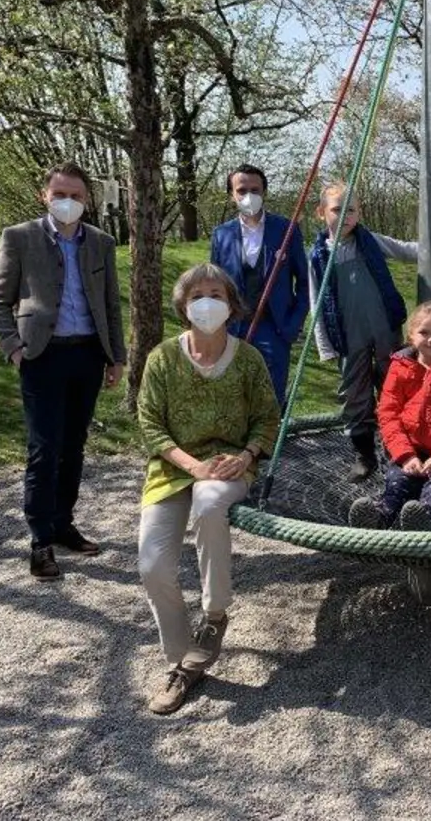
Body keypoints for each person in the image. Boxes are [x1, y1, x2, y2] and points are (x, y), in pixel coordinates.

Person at [135, 263, 281, 715]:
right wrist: (190, 464)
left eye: (216, 294)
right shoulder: (162, 358)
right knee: (153, 564)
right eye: (198, 294)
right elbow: (150, 424)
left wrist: (247, 454)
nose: (207, 302)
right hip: (175, 468)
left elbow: (267, 417)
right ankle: (183, 661)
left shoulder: (248, 359)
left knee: (210, 502)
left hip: (229, 466)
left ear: (231, 304)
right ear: (184, 304)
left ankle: (214, 614)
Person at [0, 161, 127, 580]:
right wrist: (14, 347)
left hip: (87, 355)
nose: (68, 202)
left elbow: (110, 305)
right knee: (44, 448)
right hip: (41, 356)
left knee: (74, 446)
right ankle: (40, 540)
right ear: (44, 195)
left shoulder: (101, 243)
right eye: (60, 194)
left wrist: (116, 357)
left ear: (88, 200)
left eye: (76, 196)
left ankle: (64, 524)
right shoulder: (20, 238)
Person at [306, 181, 419, 480]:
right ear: (321, 213)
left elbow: (406, 250)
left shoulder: (369, 241)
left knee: (394, 384)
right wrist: (325, 345)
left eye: (351, 209)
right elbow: (315, 301)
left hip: (384, 327)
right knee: (355, 391)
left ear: (360, 213)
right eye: (336, 209)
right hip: (347, 333)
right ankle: (364, 453)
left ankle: (398, 449)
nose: (345, 215)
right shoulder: (317, 255)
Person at [348, 301, 431, 531]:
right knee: (397, 484)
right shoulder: (400, 367)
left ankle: (426, 520)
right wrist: (405, 455)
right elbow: (388, 413)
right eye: (424, 332)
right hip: (407, 448)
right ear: (411, 335)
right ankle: (379, 517)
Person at [208, 163, 309, 406]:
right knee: (235, 395)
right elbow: (214, 286)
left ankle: (271, 444)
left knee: (271, 397)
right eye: (242, 190)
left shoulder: (287, 229)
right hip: (233, 330)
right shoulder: (221, 235)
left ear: (264, 192)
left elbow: (306, 284)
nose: (248, 196)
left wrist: (293, 324)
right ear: (232, 195)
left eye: (255, 189)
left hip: (275, 329)